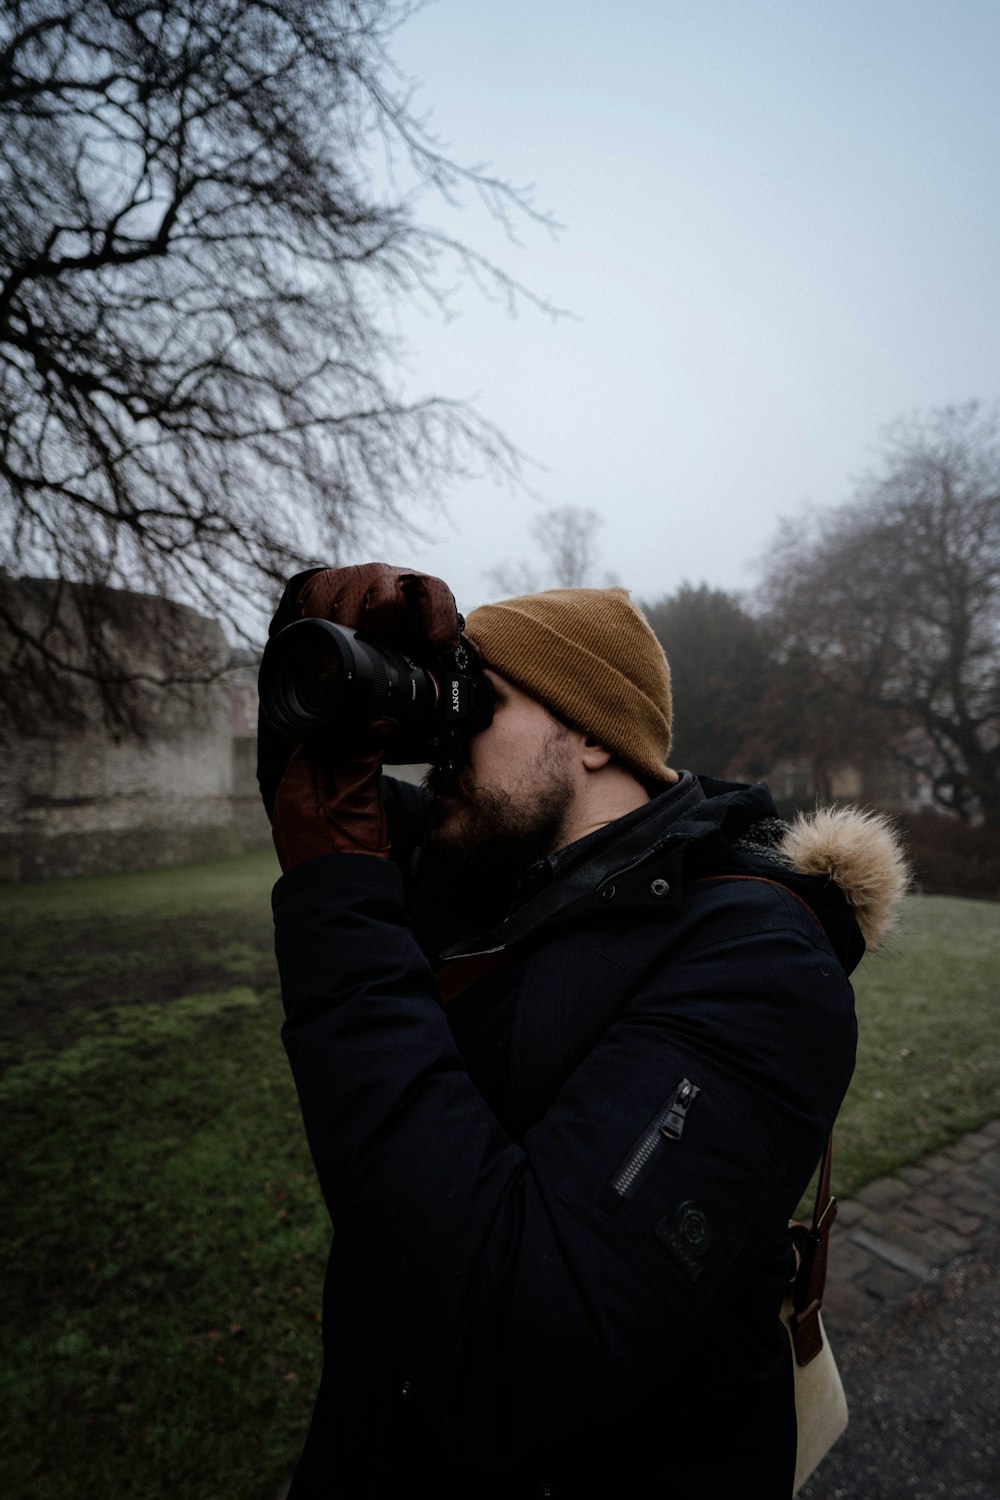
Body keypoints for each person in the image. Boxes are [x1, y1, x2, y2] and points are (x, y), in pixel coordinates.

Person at [257, 562, 909, 1499]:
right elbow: (302, 778)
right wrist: (309, 627)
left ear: (594, 736)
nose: (447, 741)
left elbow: (523, 1336)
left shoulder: (763, 967)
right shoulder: (487, 869)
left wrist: (338, 904)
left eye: (479, 701)